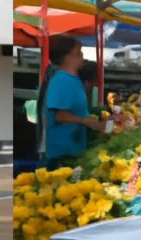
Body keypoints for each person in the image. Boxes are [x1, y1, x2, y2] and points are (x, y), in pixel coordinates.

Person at [43, 36, 107, 169]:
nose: (82, 56)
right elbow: (59, 115)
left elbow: (78, 111)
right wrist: (84, 121)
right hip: (62, 151)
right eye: (78, 53)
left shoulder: (74, 79)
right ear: (65, 57)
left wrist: (95, 121)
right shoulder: (61, 80)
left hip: (74, 147)